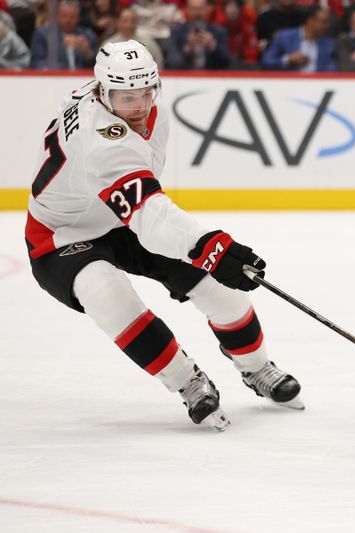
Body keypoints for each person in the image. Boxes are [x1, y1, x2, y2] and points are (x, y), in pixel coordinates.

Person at [25, 40, 303, 431]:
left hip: (120, 219)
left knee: (217, 290)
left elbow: (145, 208)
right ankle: (187, 381)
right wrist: (212, 247)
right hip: (61, 234)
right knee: (105, 292)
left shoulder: (137, 105)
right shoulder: (101, 140)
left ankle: (258, 369)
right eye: (126, 98)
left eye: (145, 92)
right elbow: (151, 218)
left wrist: (207, 255)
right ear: (103, 93)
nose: (139, 106)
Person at [261, 6, 335, 72]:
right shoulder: (284, 37)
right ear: (310, 21)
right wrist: (288, 60)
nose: (327, 26)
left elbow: (332, 68)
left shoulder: (328, 44)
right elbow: (266, 62)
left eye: (328, 22)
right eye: (324, 22)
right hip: (290, 84)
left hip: (317, 84)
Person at [30, 0, 98, 69]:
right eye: (64, 16)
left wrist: (88, 52)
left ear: (78, 18)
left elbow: (98, 66)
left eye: (72, 17)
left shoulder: (88, 36)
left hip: (83, 78)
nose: (68, 20)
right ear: (56, 16)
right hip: (54, 78)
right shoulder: (43, 34)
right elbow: (37, 63)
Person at [165, 0, 230, 69]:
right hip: (185, 77)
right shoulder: (176, 32)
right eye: (194, 9)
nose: (197, 13)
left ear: (207, 9)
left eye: (200, 9)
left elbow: (226, 63)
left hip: (212, 77)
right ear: (187, 9)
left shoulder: (219, 32)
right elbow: (171, 63)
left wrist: (213, 46)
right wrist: (187, 49)